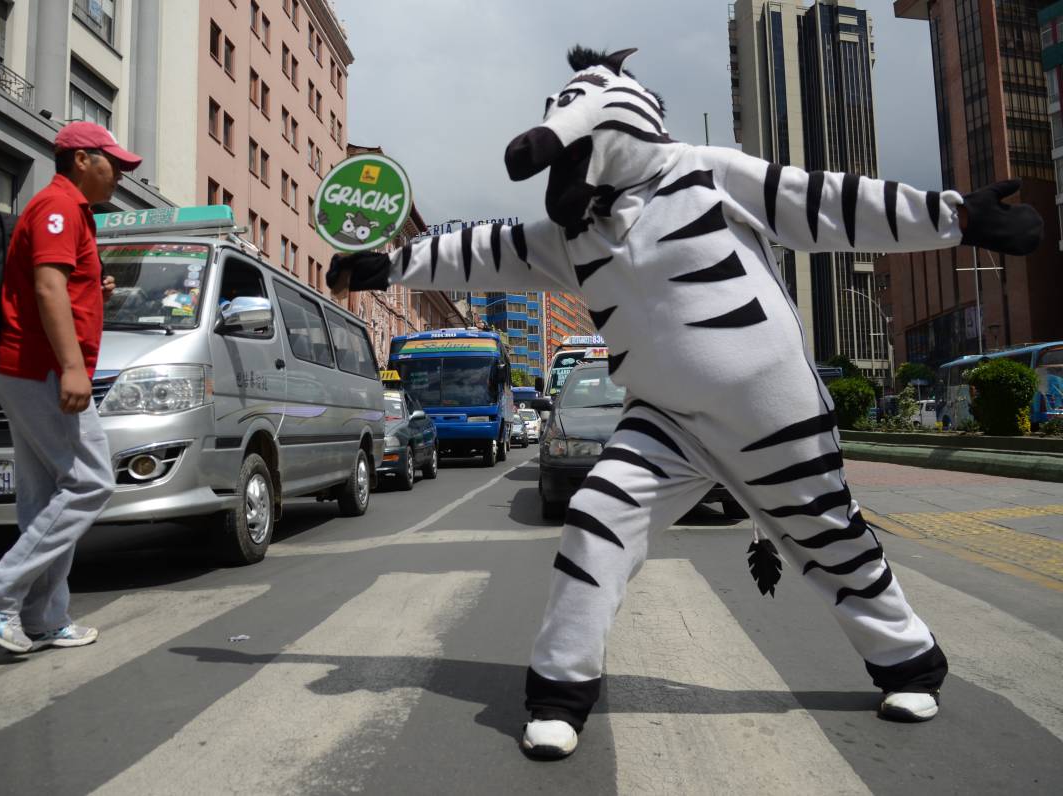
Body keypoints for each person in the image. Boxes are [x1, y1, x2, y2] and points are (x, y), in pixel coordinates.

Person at [327, 46, 1042, 758]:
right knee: (595, 523)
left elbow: (828, 203)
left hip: (772, 413)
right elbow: (483, 249)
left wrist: (957, 219)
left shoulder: (707, 173)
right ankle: (558, 691)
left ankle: (910, 662)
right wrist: (391, 263)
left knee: (829, 539)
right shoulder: (571, 239)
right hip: (664, 420)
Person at [0, 121, 143, 653]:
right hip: (40, 367)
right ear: (82, 159)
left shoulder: (69, 211)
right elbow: (46, 286)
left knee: (44, 501)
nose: (121, 174)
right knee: (91, 482)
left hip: (26, 368)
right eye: (114, 164)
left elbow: (59, 281)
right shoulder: (58, 206)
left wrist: (93, 284)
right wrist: (73, 368)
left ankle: (43, 617)